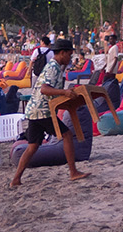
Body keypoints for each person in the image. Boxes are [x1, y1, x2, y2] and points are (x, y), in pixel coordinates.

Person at [12, 39, 91, 187]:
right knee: (67, 135)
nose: (70, 58)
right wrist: (65, 92)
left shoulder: (54, 67)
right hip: (43, 111)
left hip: (35, 110)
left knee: (33, 146)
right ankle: (73, 172)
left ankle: (16, 179)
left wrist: (66, 94)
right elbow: (44, 89)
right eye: (69, 54)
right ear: (62, 53)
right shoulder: (53, 67)